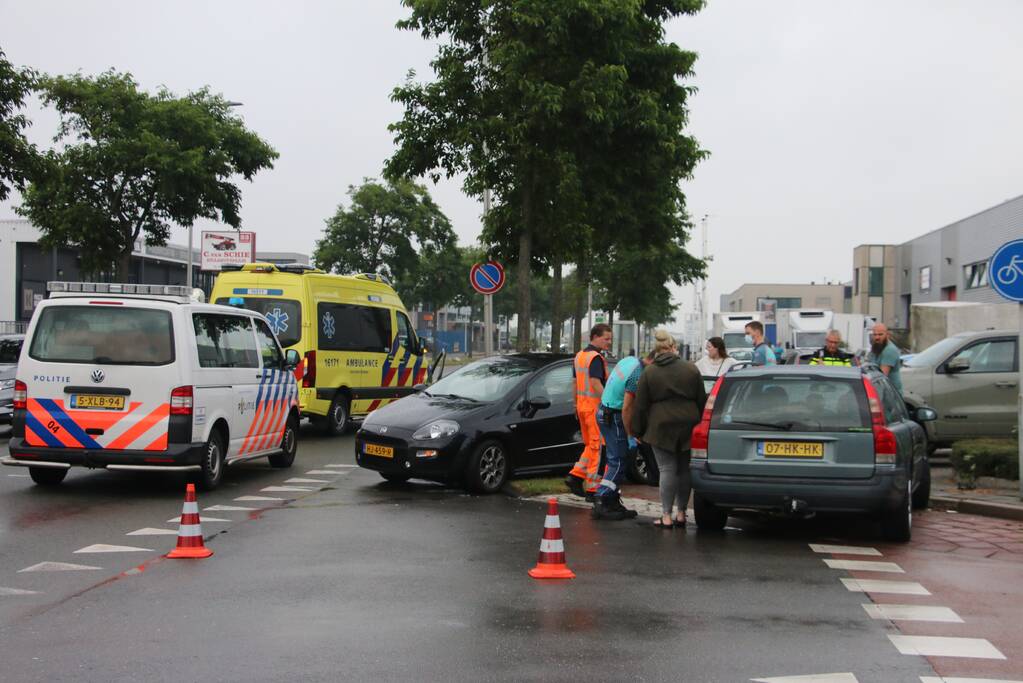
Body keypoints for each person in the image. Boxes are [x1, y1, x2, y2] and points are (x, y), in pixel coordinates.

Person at [631, 330, 707, 529]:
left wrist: (636, 430)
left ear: (656, 350)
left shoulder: (650, 371)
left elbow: (640, 404)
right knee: (684, 469)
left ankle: (666, 515)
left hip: (660, 425)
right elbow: (701, 399)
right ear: (674, 348)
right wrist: (699, 423)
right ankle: (682, 513)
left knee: (666, 470)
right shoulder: (691, 369)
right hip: (688, 423)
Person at [591, 351, 648, 521]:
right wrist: (631, 433)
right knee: (619, 461)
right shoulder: (638, 374)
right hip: (614, 415)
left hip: (604, 411)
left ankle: (612, 501)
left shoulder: (629, 360)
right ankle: (602, 498)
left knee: (614, 459)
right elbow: (627, 408)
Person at [565, 323, 612, 499]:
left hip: (583, 408)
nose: (608, 342)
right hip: (595, 408)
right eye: (606, 339)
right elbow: (595, 383)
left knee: (591, 446)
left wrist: (575, 405)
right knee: (599, 448)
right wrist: (609, 402)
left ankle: (576, 476)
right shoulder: (596, 358)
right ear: (595, 337)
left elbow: (575, 383)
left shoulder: (579, 356)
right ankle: (593, 488)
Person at [867, 323, 903, 393]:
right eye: (875, 335)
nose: (877, 337)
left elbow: (881, 376)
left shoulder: (889, 350)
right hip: (881, 391)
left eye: (880, 334)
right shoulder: (876, 348)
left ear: (887, 335)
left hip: (891, 394)